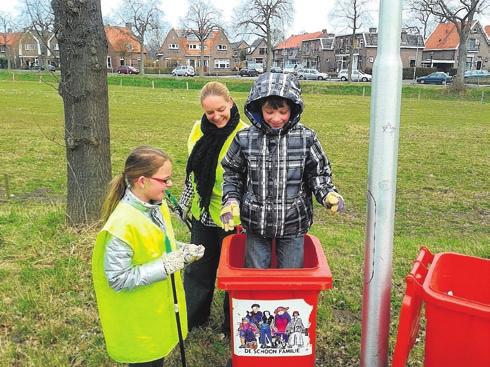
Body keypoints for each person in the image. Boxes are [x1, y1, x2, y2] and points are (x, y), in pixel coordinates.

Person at [92, 146, 205, 367]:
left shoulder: (156, 206)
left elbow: (157, 243)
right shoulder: (122, 224)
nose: (170, 184)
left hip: (155, 311)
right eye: (165, 180)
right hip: (136, 319)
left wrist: (183, 250)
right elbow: (117, 278)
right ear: (142, 181)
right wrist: (167, 265)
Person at [221, 72, 344, 269]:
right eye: (269, 112)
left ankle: (287, 300)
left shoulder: (306, 137)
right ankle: (257, 298)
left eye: (283, 112)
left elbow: (318, 174)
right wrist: (231, 200)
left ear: (293, 109)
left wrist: (327, 194)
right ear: (258, 108)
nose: (276, 118)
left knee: (291, 277)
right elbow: (232, 173)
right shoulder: (244, 138)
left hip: (293, 222)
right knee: (255, 277)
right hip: (255, 222)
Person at [179, 82, 248, 337]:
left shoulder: (244, 134)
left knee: (234, 272)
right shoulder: (198, 130)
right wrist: (186, 202)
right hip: (204, 213)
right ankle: (194, 318)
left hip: (233, 218)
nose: (217, 117)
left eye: (221, 109)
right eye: (210, 113)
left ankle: (234, 326)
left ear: (230, 102)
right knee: (198, 268)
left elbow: (248, 181)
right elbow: (193, 172)